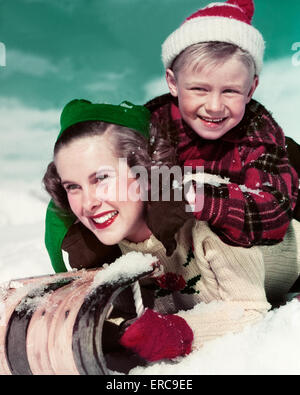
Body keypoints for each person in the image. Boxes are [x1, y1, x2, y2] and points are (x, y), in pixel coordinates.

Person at [43, 98, 300, 366]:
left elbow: (250, 309)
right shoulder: (102, 246)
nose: (88, 203)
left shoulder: (208, 215)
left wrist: (175, 331)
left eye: (102, 178)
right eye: (73, 187)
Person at [144, 0, 299, 257]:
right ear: (173, 83)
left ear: (250, 89)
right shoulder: (149, 129)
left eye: (230, 91)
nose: (214, 107)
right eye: (199, 89)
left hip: (252, 245)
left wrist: (198, 198)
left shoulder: (260, 137)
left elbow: (275, 214)